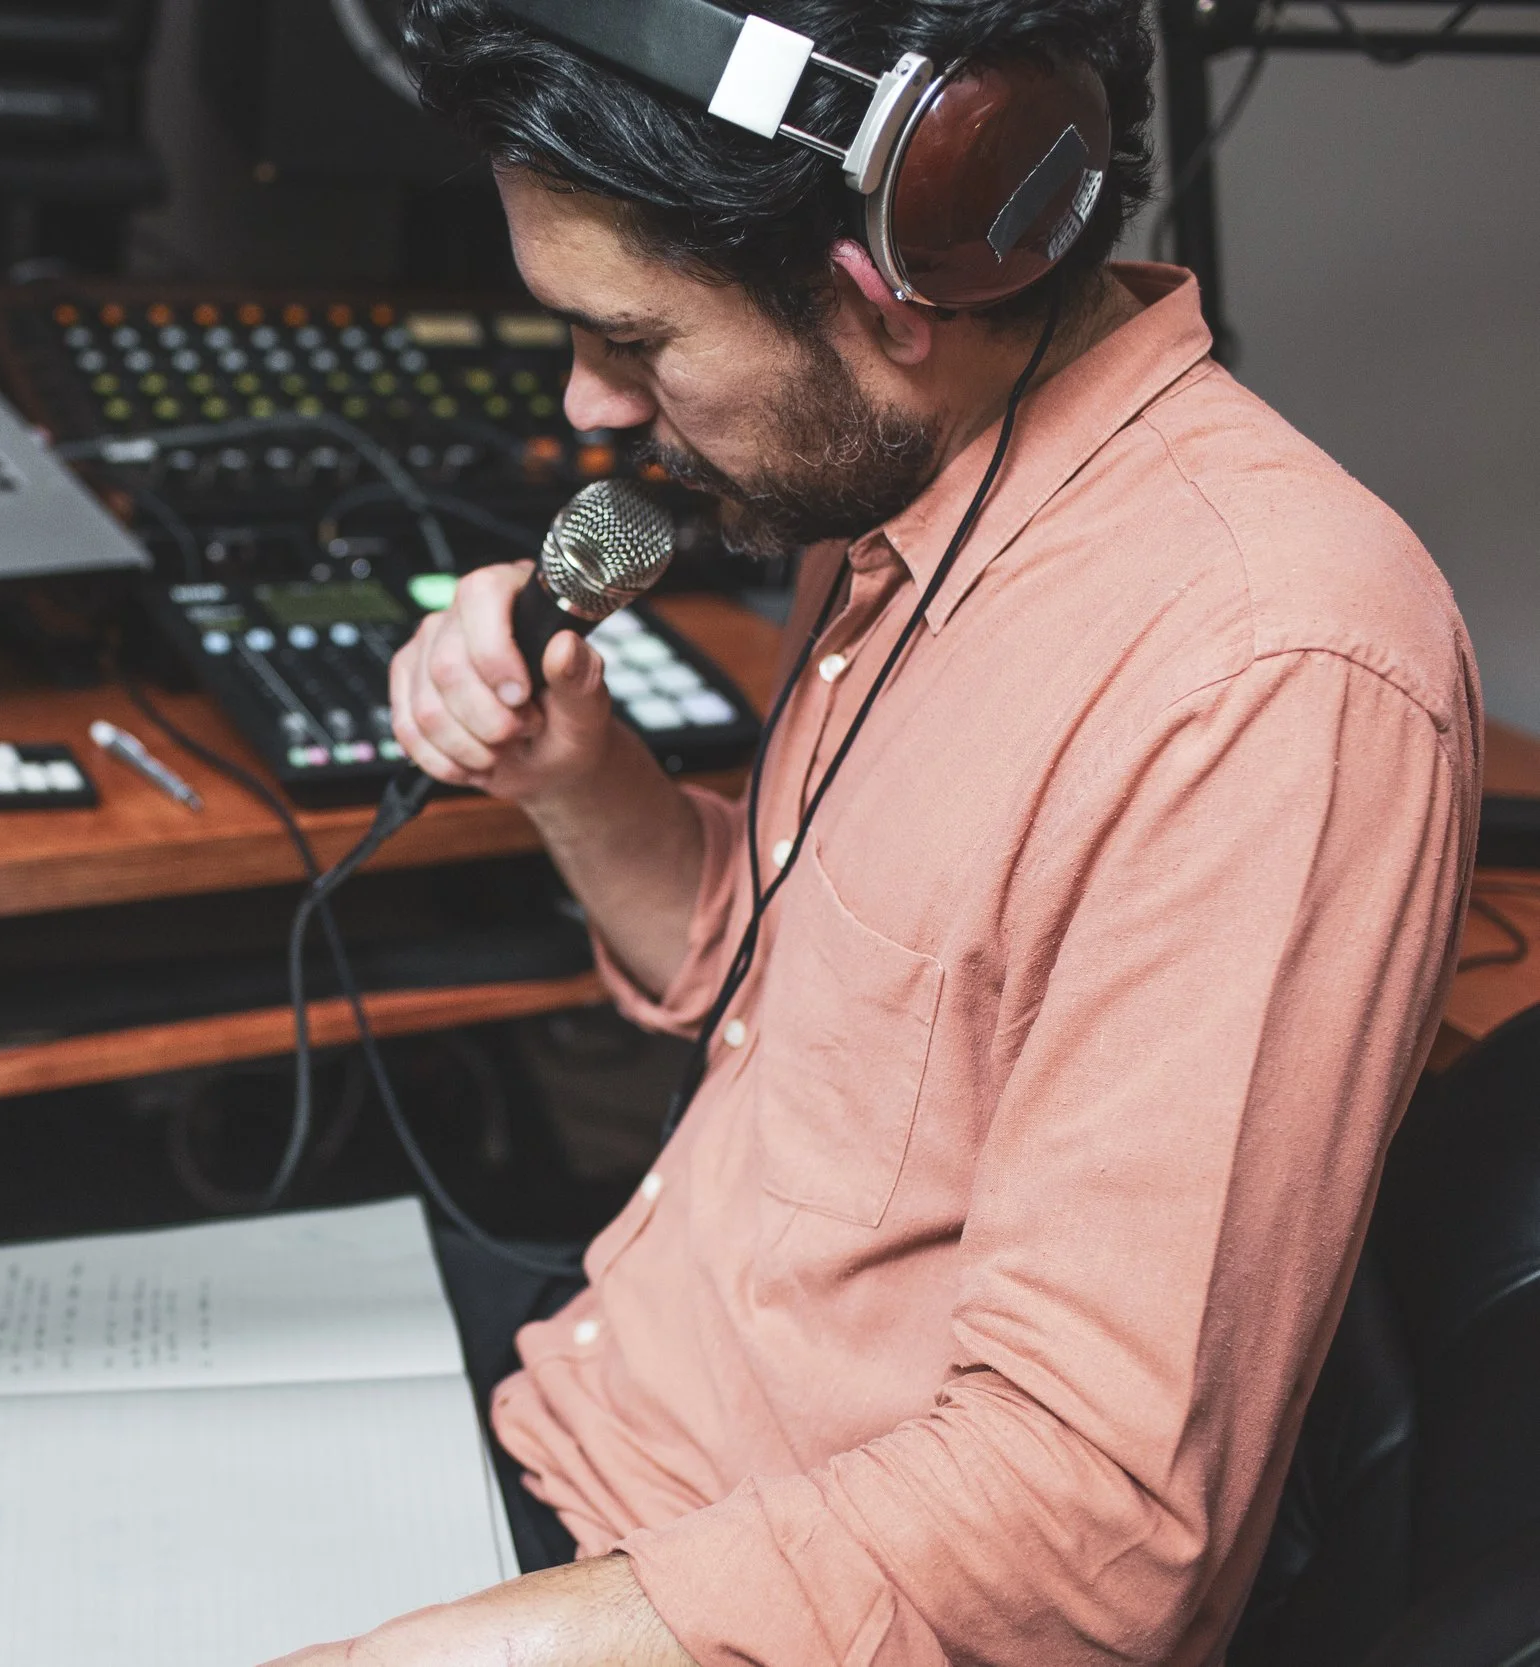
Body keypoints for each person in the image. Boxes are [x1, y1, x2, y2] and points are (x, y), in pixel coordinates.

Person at [267, 1, 1483, 1663]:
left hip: (706, 1589)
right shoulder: (888, 493)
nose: (594, 409)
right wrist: (574, 772)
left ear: (885, 293)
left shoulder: (1273, 671)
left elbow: (1095, 1520)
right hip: (597, 1424)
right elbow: (767, 986)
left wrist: (470, 1645)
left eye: (633, 339)